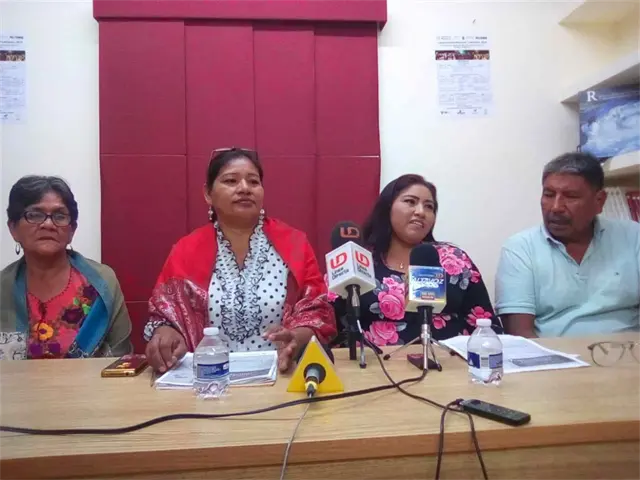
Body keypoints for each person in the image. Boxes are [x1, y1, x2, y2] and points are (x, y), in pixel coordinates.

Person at [144, 148, 336, 373]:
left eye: (253, 181)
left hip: (280, 376)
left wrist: (296, 337)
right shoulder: (185, 251)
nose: (245, 188)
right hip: (208, 378)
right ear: (208, 194)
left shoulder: (295, 244)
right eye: (231, 181)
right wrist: (166, 334)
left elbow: (317, 311)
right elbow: (164, 318)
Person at [329, 174, 502, 347]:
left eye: (429, 206)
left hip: (447, 360)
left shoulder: (455, 260)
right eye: (410, 202)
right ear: (387, 207)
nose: (421, 212)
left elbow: (486, 325)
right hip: (373, 362)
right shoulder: (360, 260)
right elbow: (332, 325)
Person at [495, 152, 640, 337]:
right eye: (549, 194)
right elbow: (520, 334)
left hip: (627, 351)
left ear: (599, 201)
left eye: (571, 196)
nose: (556, 207)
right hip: (555, 353)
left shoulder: (633, 236)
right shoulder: (520, 248)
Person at [0, 176, 132, 360]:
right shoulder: (3, 288)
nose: (48, 224)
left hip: (94, 380)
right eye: (35, 215)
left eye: (59, 216)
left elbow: (123, 362)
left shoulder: (103, 284)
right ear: (13, 229)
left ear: (72, 230)